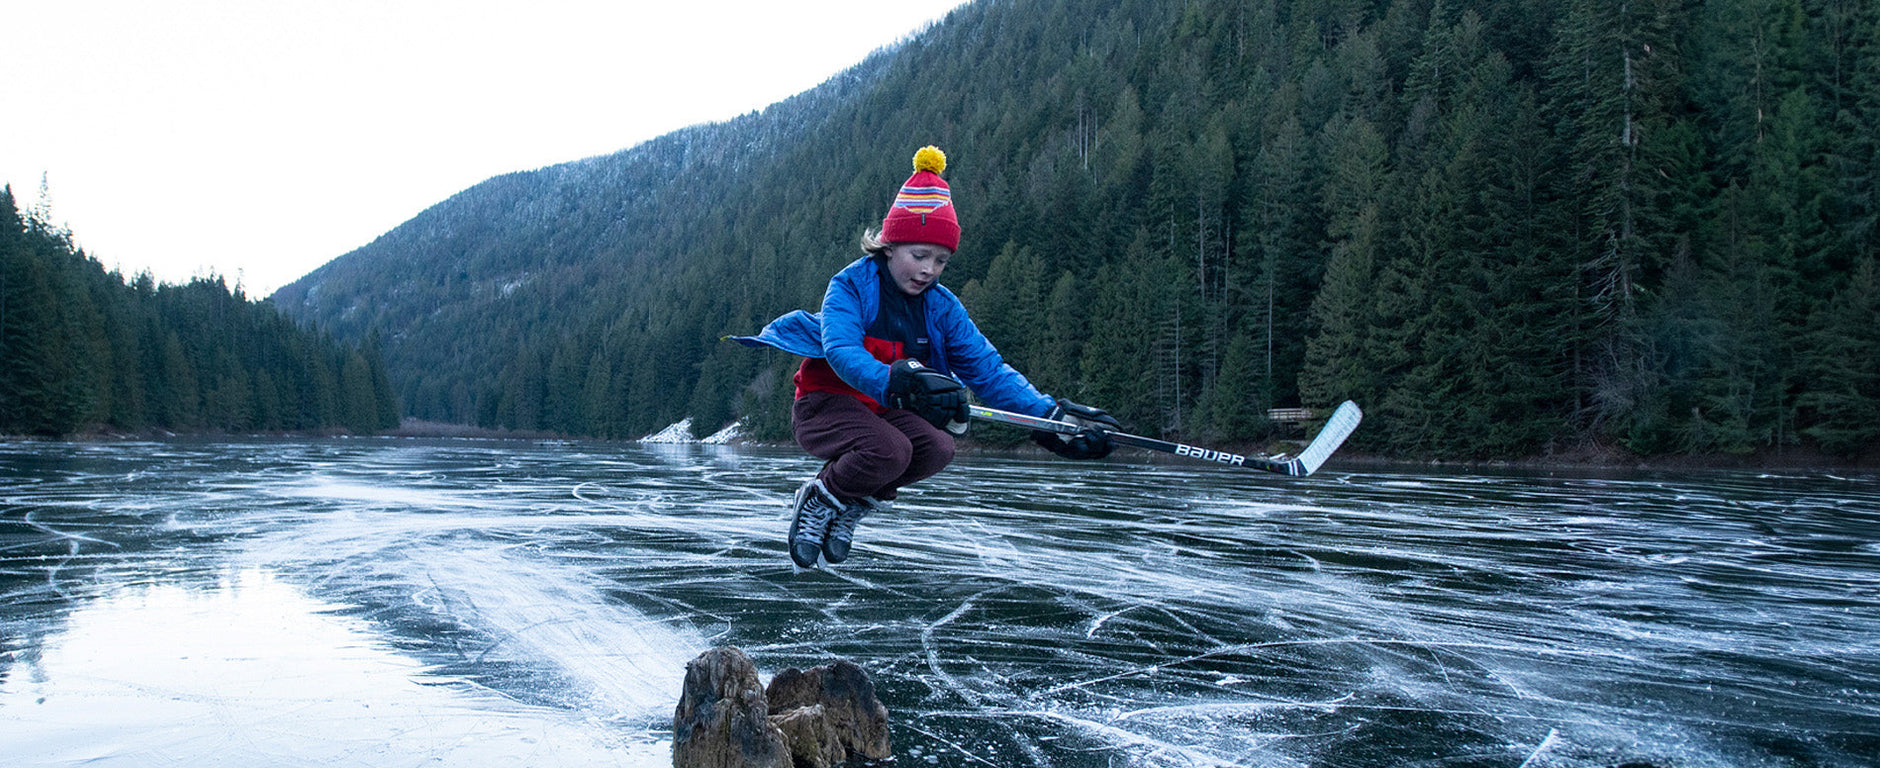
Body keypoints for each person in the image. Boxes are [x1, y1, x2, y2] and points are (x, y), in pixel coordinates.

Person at [732, 145, 1120, 568]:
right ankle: (821, 497)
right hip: (826, 406)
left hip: (882, 413)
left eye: (941, 260)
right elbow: (842, 352)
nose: (929, 270)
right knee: (891, 450)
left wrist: (1050, 419)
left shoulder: (942, 307)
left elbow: (988, 371)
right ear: (889, 245)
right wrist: (897, 382)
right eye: (919, 256)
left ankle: (853, 501)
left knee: (938, 447)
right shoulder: (850, 287)